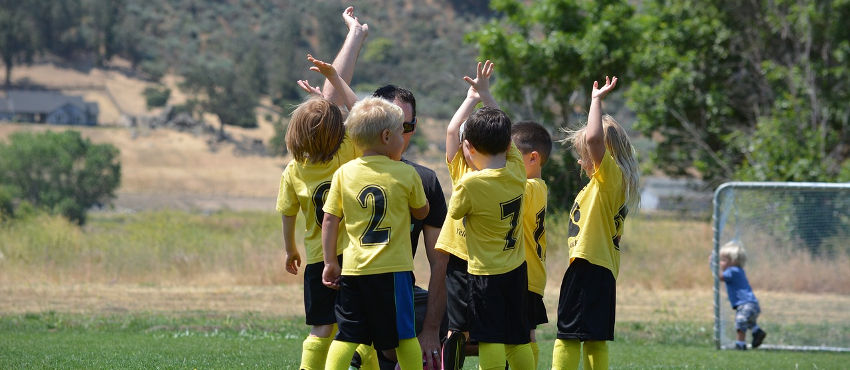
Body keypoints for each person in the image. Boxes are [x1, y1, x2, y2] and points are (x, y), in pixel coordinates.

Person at [280, 8, 379, 369]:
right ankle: (356, 34)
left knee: (321, 329)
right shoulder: (348, 153)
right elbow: (357, 109)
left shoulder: (294, 169)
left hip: (318, 261)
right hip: (354, 258)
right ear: (340, 133)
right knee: (362, 330)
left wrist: (290, 250)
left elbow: (287, 214)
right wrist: (335, 79)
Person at [321, 97, 430, 370]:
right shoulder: (406, 173)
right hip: (393, 272)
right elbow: (422, 212)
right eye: (400, 132)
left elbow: (330, 220)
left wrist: (330, 263)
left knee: (346, 335)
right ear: (386, 136)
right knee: (404, 336)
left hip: (355, 271)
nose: (403, 139)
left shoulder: (344, 174)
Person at [442, 60, 535, 370]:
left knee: (491, 338)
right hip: (516, 269)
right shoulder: (518, 170)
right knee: (518, 338)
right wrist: (486, 95)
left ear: (468, 147)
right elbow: (506, 138)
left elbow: (455, 211)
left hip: (485, 275)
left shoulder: (470, 182)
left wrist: (475, 98)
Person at [552, 76, 640, 370]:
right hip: (600, 269)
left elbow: (593, 138)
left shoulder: (609, 177)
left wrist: (595, 101)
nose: (581, 160)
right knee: (593, 337)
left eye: (583, 155)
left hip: (588, 266)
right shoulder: (604, 184)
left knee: (567, 335)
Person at [372, 85, 449, 370]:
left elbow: (439, 262)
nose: (398, 134)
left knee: (456, 314)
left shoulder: (424, 180)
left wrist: (431, 330)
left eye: (406, 125)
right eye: (391, 123)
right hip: (353, 287)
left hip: (401, 289)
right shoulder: (351, 172)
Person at [511, 121, 553, 368]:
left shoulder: (530, 187)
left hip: (525, 276)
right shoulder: (536, 186)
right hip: (530, 275)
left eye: (512, 157)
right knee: (525, 334)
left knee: (523, 337)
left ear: (533, 158)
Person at [718, 241, 767, 350]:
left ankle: (740, 344)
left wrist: (712, 266)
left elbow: (720, 277)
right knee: (749, 322)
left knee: (740, 322)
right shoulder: (738, 270)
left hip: (745, 304)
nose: (720, 263)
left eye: (723, 260)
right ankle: (757, 332)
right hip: (752, 303)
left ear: (734, 261)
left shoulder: (732, 271)